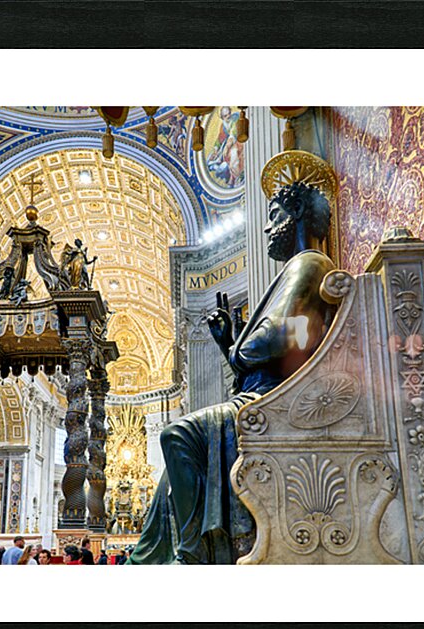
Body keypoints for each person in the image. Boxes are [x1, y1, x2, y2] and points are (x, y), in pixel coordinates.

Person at [130, 166, 336, 565]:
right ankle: (149, 559)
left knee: (176, 435)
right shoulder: (293, 271)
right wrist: (231, 345)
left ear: (294, 215)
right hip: (259, 393)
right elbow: (260, 348)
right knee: (167, 483)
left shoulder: (308, 265)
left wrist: (240, 345)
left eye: (274, 215)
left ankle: (192, 556)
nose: (267, 228)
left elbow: (286, 335)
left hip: (272, 399)